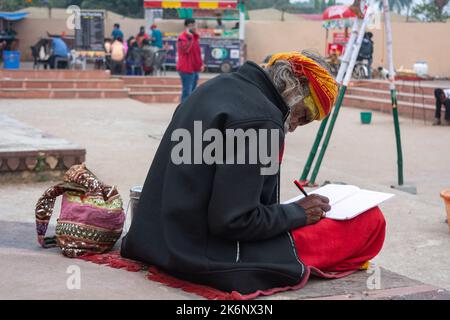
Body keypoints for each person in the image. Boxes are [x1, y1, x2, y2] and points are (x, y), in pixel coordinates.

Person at [120, 51, 386, 294]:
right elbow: (233, 221)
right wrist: (297, 213)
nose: (294, 127)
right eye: (303, 116)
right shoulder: (263, 122)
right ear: (295, 90)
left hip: (157, 238)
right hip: (197, 254)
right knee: (370, 221)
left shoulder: (219, 86)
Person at [176, 18, 204, 103]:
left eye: (194, 25)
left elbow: (197, 53)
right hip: (186, 68)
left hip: (194, 69)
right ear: (187, 27)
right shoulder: (182, 38)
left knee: (192, 93)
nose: (194, 27)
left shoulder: (195, 37)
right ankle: (183, 112)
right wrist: (190, 37)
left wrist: (200, 64)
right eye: (191, 25)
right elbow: (186, 49)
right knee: (186, 93)